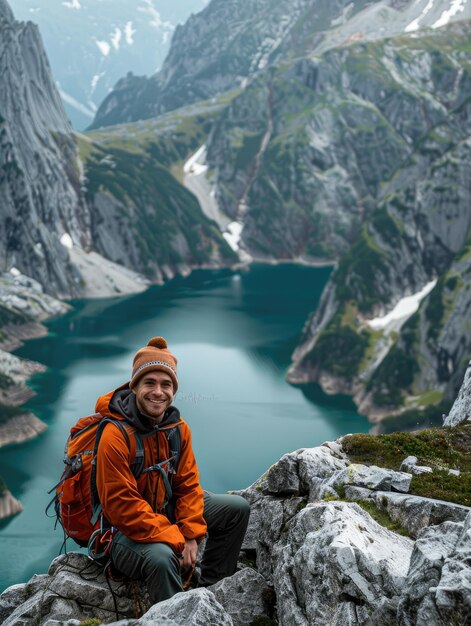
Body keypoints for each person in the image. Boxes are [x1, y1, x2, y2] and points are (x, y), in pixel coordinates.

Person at [94, 336, 250, 604]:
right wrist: (178, 539)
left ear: (174, 390)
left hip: (162, 514)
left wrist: (191, 533)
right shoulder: (115, 435)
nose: (158, 392)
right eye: (149, 383)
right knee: (162, 558)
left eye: (166, 384)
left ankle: (210, 595)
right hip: (121, 534)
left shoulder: (177, 429)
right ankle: (175, 614)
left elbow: (188, 486)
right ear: (134, 387)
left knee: (236, 509)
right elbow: (122, 507)